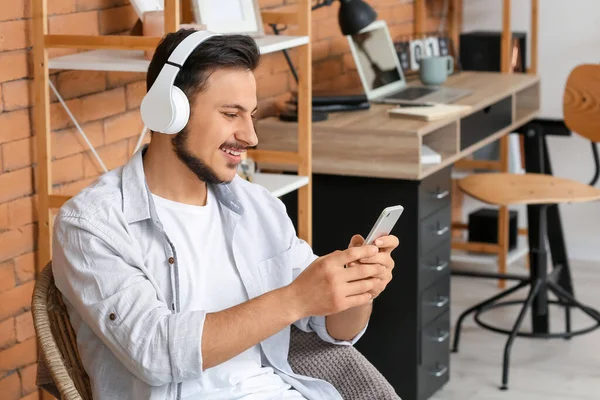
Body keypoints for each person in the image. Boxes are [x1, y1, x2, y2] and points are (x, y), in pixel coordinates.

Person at [52, 29, 399, 400]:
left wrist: (358, 289)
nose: (250, 136)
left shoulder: (257, 207)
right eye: (231, 114)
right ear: (168, 111)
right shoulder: (91, 225)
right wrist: (296, 298)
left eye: (250, 115)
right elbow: (154, 353)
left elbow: (330, 329)